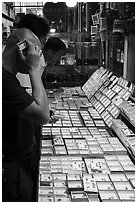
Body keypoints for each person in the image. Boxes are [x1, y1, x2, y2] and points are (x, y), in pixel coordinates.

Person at [2, 14, 50, 202]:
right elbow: (42, 115)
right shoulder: (4, 81)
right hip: (11, 167)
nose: (37, 59)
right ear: (22, 49)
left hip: (19, 159)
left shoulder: (8, 77)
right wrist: (34, 71)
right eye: (34, 53)